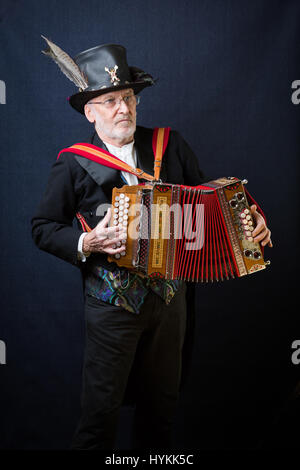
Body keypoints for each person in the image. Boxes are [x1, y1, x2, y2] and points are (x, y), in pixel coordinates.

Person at [31, 38, 272, 450]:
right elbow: (43, 226)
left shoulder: (169, 145)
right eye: (108, 101)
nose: (122, 108)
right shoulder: (72, 162)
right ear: (90, 112)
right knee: (99, 417)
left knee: (161, 414)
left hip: (170, 302)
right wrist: (86, 241)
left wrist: (251, 220)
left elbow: (212, 202)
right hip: (111, 305)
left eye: (127, 97)